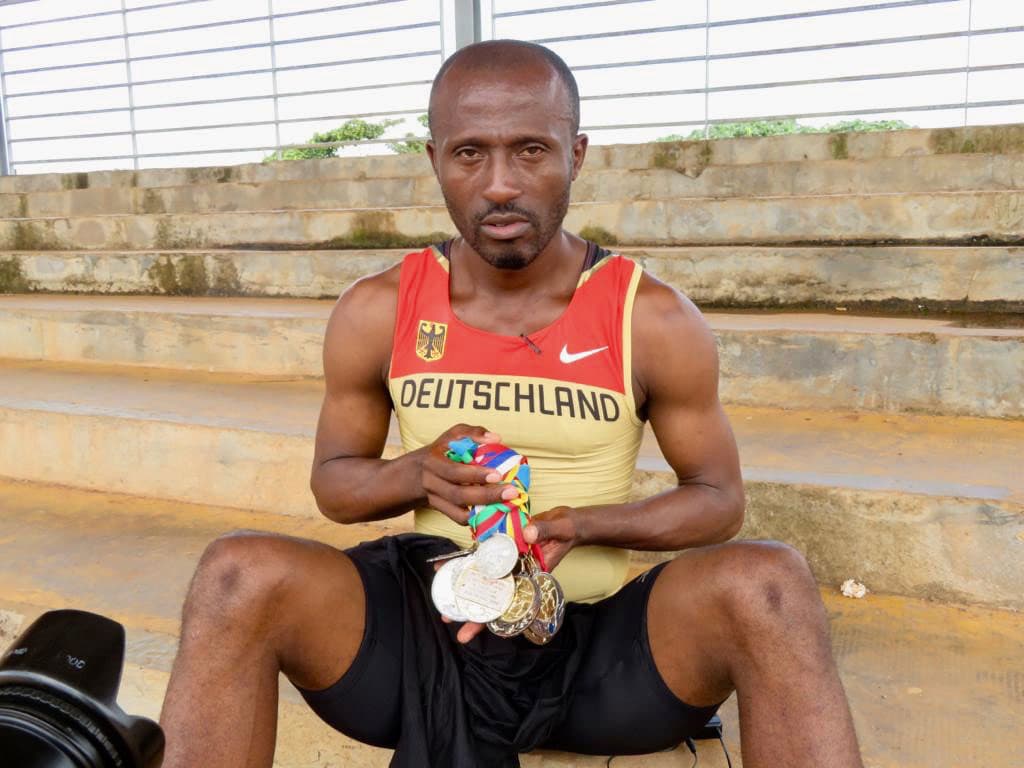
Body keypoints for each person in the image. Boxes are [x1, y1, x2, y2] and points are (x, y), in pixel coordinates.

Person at [159, 40, 863, 768]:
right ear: (435, 159)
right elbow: (335, 483)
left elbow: (719, 498)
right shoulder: (379, 308)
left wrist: (588, 525)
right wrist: (416, 474)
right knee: (236, 575)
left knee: (771, 582)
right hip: (420, 636)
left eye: (530, 150)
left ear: (577, 154)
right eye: (470, 154)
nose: (499, 184)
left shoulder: (648, 317)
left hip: (597, 649)